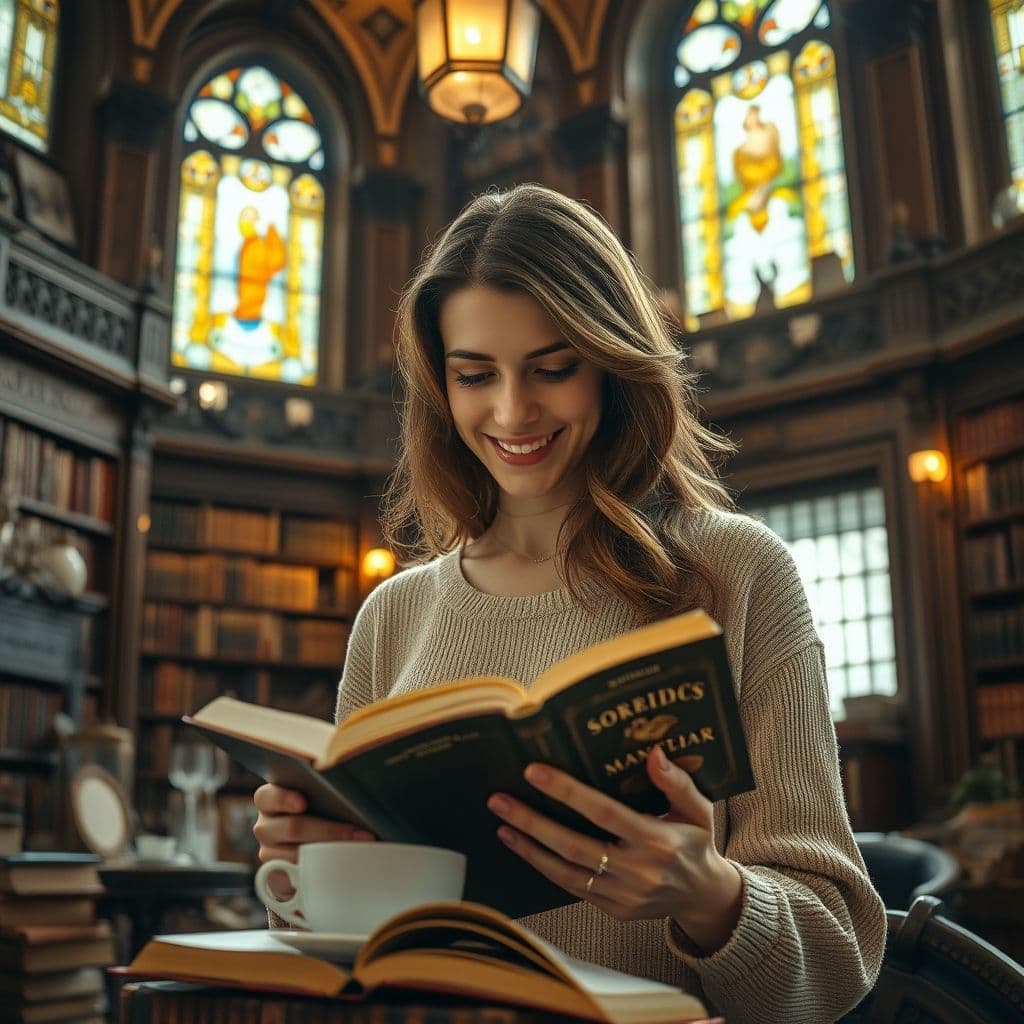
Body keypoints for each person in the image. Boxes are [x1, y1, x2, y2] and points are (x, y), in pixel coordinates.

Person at [253, 184, 885, 1023]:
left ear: (613, 363)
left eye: (553, 369)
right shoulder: (392, 617)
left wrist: (714, 897)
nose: (513, 412)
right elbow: (362, 948)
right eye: (475, 375)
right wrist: (312, 866)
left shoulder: (738, 574)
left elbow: (837, 969)